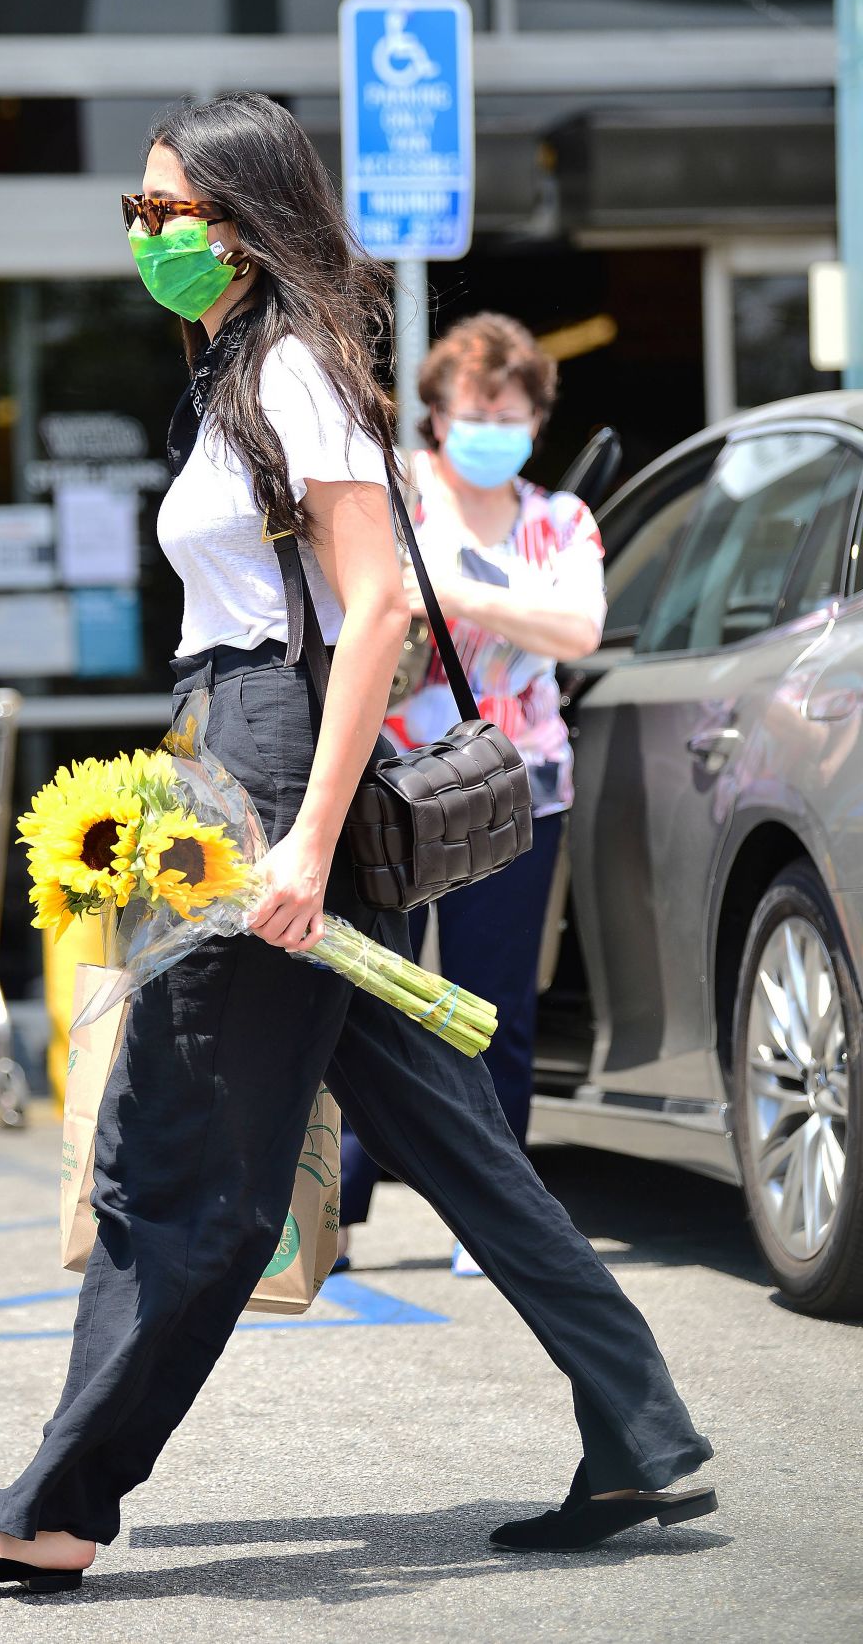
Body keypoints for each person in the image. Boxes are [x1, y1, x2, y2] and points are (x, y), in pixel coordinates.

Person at [0, 93, 716, 1593]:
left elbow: (374, 606)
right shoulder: (245, 366)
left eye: (161, 212)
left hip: (266, 772)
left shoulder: (299, 367)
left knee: (176, 1154)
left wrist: (303, 841)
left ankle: (50, 1511)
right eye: (137, 214)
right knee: (445, 1123)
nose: (145, 237)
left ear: (239, 225)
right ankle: (640, 1424)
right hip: (234, 749)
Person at [338, 313, 607, 1277]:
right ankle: (340, 1207)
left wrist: (459, 593)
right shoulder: (393, 496)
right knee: (374, 999)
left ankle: (490, 1218)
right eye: (474, 407)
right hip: (391, 788)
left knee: (498, 1008)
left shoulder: (559, 521)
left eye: (512, 408)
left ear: (536, 415)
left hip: (514, 789)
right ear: (438, 414)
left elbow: (580, 628)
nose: (492, 422)